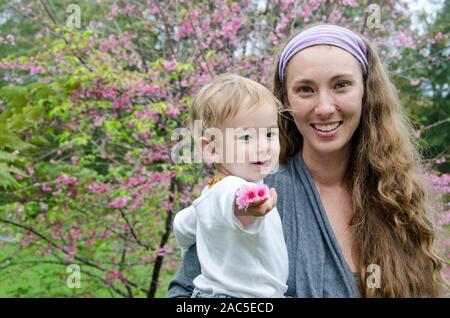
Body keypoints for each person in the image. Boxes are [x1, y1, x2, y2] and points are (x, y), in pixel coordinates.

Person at [169, 24, 445, 298]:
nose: (324, 108)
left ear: (366, 92)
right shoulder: (252, 194)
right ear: (285, 100)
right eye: (305, 90)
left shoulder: (400, 199)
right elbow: (183, 295)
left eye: (342, 85)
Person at [172, 74, 289, 298]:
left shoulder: (209, 194)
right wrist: (249, 202)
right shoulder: (231, 187)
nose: (263, 146)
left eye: (269, 133)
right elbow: (234, 196)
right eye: (246, 137)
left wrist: (190, 241)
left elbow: (183, 224)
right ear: (212, 149)